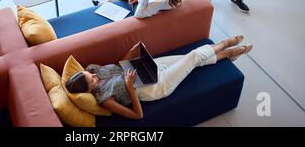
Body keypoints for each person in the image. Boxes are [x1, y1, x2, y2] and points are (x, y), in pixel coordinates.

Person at [65, 36, 253, 119]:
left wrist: (130, 54)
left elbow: (118, 67)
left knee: (190, 59)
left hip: (144, 69)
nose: (94, 76)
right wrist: (130, 87)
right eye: (92, 81)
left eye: (90, 75)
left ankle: (229, 54)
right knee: (194, 56)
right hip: (151, 88)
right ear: (88, 90)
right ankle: (227, 44)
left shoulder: (93, 69)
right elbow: (138, 115)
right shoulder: (103, 99)